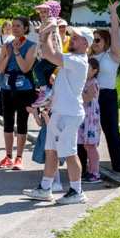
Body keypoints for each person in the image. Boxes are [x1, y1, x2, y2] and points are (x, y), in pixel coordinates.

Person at [23, 21, 92, 204]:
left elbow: (49, 54)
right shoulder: (71, 58)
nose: (72, 39)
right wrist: (47, 33)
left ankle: (77, 191)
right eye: (73, 37)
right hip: (60, 112)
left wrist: (46, 33)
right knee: (51, 151)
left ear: (86, 43)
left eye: (76, 38)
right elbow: (51, 55)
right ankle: (45, 189)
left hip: (69, 114)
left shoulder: (78, 61)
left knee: (69, 153)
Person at [90, 2, 120, 173]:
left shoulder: (112, 56)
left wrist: (113, 13)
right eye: (92, 39)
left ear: (106, 41)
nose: (94, 43)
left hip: (107, 95)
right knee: (87, 130)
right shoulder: (87, 57)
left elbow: (115, 33)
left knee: (112, 130)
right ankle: (88, 166)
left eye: (97, 39)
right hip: (89, 96)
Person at [0, 17, 37, 170]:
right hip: (7, 88)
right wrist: (8, 54)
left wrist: (17, 52)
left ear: (25, 28)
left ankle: (19, 157)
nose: (15, 28)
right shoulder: (7, 45)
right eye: (13, 26)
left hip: (24, 88)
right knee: (7, 122)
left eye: (18, 26)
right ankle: (8, 156)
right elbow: (0, 69)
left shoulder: (32, 46)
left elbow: (26, 68)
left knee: (22, 123)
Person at [79, 57, 103, 183]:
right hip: (85, 117)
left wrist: (76, 91)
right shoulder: (84, 81)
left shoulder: (93, 83)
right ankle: (90, 170)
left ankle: (95, 173)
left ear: (94, 71)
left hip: (90, 119)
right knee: (86, 145)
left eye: (87, 68)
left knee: (91, 146)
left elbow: (88, 98)